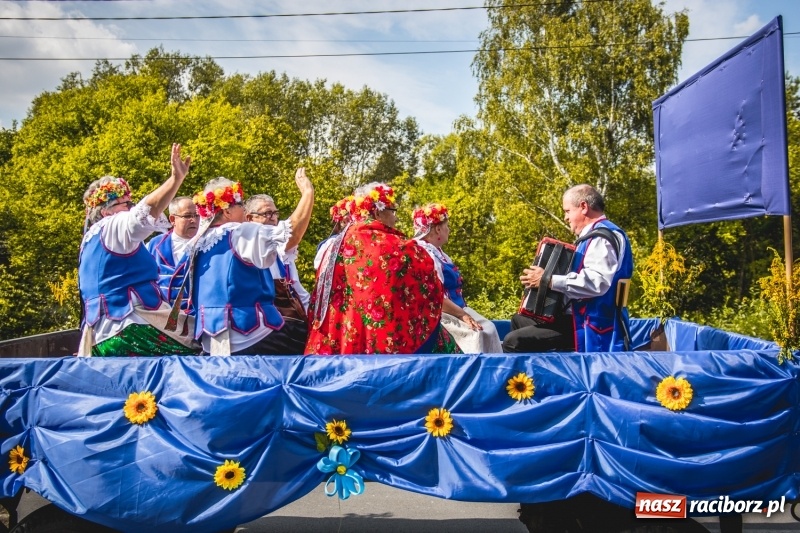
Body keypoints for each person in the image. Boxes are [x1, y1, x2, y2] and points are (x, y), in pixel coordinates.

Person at [305, 182, 460, 355]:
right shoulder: (393, 246)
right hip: (384, 342)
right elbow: (427, 280)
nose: (396, 218)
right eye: (393, 211)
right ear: (377, 211)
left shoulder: (335, 244)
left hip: (342, 340)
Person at [78, 144, 198, 356]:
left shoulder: (89, 241)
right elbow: (146, 210)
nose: (130, 207)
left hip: (100, 337)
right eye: (125, 203)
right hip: (131, 330)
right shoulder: (114, 225)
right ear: (106, 211)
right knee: (200, 349)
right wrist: (175, 180)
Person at [188, 169, 314, 356]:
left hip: (211, 339)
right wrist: (307, 194)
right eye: (240, 204)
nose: (244, 210)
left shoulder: (196, 243)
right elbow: (291, 236)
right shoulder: (238, 232)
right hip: (251, 334)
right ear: (227, 210)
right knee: (309, 343)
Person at [502, 184, 633, 353]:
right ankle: (531, 378)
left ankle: (534, 379)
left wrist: (548, 280)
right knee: (519, 320)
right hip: (579, 317)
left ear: (584, 207)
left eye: (567, 211)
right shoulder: (592, 237)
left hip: (593, 324)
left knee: (514, 342)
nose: (565, 217)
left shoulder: (602, 238)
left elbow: (597, 282)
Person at [412, 203, 503, 354]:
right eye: (446, 226)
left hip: (456, 309)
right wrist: (463, 315)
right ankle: (473, 375)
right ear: (438, 229)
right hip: (443, 314)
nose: (449, 230)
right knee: (475, 335)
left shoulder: (438, 252)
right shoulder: (426, 255)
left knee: (489, 329)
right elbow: (436, 296)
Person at [244, 193, 311, 313]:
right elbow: (293, 234)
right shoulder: (246, 245)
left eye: (275, 213)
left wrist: (311, 314)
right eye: (267, 213)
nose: (273, 218)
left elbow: (297, 289)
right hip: (260, 321)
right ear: (249, 218)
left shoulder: (281, 250)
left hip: (286, 321)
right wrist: (308, 194)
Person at [146, 196, 198, 310]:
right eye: (187, 216)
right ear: (172, 219)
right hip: (161, 316)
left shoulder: (206, 244)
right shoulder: (154, 245)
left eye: (197, 215)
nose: (194, 220)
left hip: (196, 316)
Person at [313, 196, 352, 271]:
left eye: (351, 220)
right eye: (345, 221)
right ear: (339, 223)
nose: (349, 224)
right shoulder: (331, 242)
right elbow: (318, 265)